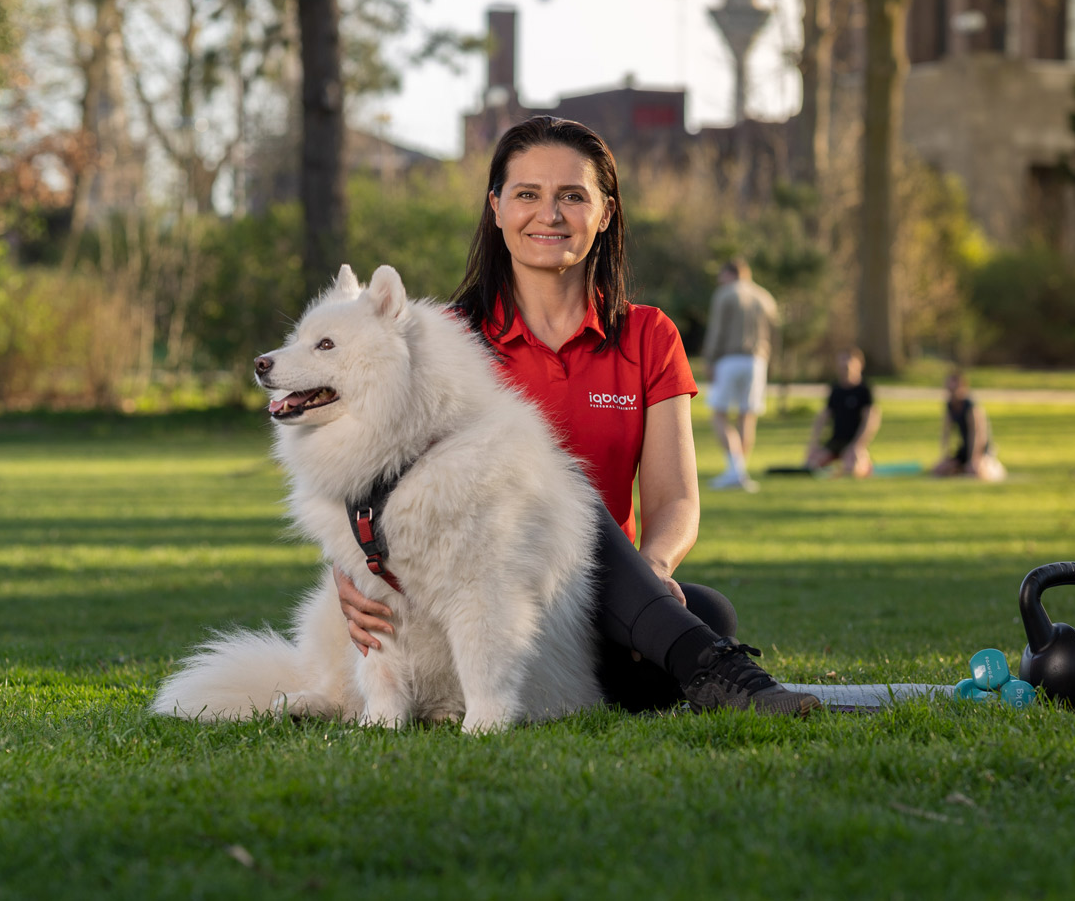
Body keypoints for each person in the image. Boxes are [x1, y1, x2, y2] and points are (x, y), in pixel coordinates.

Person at [334, 116, 819, 717]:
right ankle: (727, 677)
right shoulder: (444, 341)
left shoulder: (649, 335)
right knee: (553, 491)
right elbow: (362, 469)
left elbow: (675, 500)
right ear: (495, 208)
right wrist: (346, 575)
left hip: (595, 605)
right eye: (527, 194)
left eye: (572, 196)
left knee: (706, 609)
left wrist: (651, 574)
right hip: (473, 605)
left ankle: (634, 650)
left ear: (606, 213)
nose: (550, 214)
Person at [699, 257, 777, 492]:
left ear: (729, 273)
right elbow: (775, 333)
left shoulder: (725, 294)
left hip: (729, 359)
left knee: (719, 414)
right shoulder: (764, 296)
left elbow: (717, 330)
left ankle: (735, 470)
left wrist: (709, 358)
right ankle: (739, 472)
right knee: (747, 416)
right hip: (757, 360)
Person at [803, 348, 881, 478]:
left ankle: (864, 463)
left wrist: (857, 446)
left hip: (854, 443)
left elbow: (871, 420)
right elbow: (823, 417)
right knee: (810, 466)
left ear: (859, 365)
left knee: (852, 469)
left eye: (847, 364)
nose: (844, 368)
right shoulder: (836, 389)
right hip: (836, 442)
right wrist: (814, 444)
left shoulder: (864, 390)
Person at [930, 371, 1006, 482]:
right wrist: (945, 457)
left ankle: (991, 466)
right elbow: (946, 432)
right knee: (938, 470)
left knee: (974, 471)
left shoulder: (970, 405)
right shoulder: (950, 405)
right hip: (964, 449)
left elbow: (977, 434)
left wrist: (973, 459)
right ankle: (962, 468)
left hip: (979, 449)